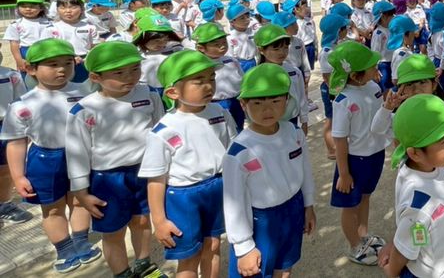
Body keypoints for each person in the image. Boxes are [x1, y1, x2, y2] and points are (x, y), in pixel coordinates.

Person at [66, 41, 167, 278]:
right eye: (119, 73)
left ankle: (145, 266)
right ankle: (121, 273)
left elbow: (161, 131)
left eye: (135, 69)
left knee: (142, 221)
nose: (130, 77)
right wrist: (81, 192)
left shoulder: (149, 94)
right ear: (95, 77)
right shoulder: (84, 109)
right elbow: (77, 152)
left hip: (144, 172)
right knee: (113, 232)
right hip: (107, 179)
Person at [1, 39, 100, 271]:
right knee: (52, 208)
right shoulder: (22, 105)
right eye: (53, 64)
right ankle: (64, 249)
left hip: (81, 156)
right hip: (46, 160)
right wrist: (18, 177)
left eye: (67, 63)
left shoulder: (84, 92)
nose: (62, 69)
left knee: (80, 200)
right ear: (30, 69)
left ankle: (81, 241)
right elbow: (16, 143)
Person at [140, 50, 236, 278]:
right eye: (198, 81)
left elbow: (234, 151)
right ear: (173, 92)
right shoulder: (164, 130)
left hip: (216, 188)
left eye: (211, 78)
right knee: (189, 256)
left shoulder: (220, 113)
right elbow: (156, 179)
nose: (208, 86)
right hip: (183, 197)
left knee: (213, 245)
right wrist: (159, 220)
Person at [222, 64, 316, 278]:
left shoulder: (294, 133)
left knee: (285, 265)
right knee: (256, 271)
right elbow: (234, 203)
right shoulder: (239, 152)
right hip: (261, 221)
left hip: (293, 208)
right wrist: (243, 246)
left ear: (287, 100)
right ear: (243, 104)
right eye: (257, 102)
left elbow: (305, 170)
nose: (267, 109)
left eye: (275, 101)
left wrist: (308, 205)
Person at [379, 94, 444, 278]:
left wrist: (394, 242)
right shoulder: (419, 204)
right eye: (443, 141)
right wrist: (392, 271)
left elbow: (409, 228)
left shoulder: (425, 167)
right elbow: (406, 247)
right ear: (415, 154)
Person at [328, 42, 390, 266]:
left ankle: (363, 235)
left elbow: (382, 117)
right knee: (350, 205)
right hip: (355, 160)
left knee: (365, 197)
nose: (377, 69)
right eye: (372, 67)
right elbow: (340, 139)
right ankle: (354, 245)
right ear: (355, 75)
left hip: (375, 153)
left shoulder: (373, 87)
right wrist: (344, 173)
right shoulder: (344, 100)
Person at [253, 25, 308, 135]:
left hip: (292, 120)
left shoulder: (295, 71)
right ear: (261, 50)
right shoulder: (256, 76)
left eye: (285, 47)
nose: (282, 52)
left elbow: (302, 96)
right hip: (268, 124)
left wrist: (304, 121)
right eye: (276, 49)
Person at [0, 45, 32, 225]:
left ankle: (4, 204)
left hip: (5, 126)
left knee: (5, 168)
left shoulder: (10, 75)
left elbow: (21, 101)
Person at [42, 0, 98, 86]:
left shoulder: (90, 27)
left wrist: (88, 58)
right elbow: (47, 49)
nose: (68, 11)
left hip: (85, 62)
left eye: (73, 7)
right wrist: (69, 58)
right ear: (57, 10)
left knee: (85, 87)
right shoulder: (51, 28)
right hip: (61, 63)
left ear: (82, 9)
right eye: (63, 8)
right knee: (64, 87)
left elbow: (94, 47)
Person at [5, 0, 51, 74]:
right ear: (18, 8)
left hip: (48, 51)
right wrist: (19, 60)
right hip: (26, 52)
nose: (28, 9)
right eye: (23, 6)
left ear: (41, 8)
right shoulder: (15, 25)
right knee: (27, 76)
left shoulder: (50, 22)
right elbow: (14, 44)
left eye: (32, 6)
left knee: (47, 74)